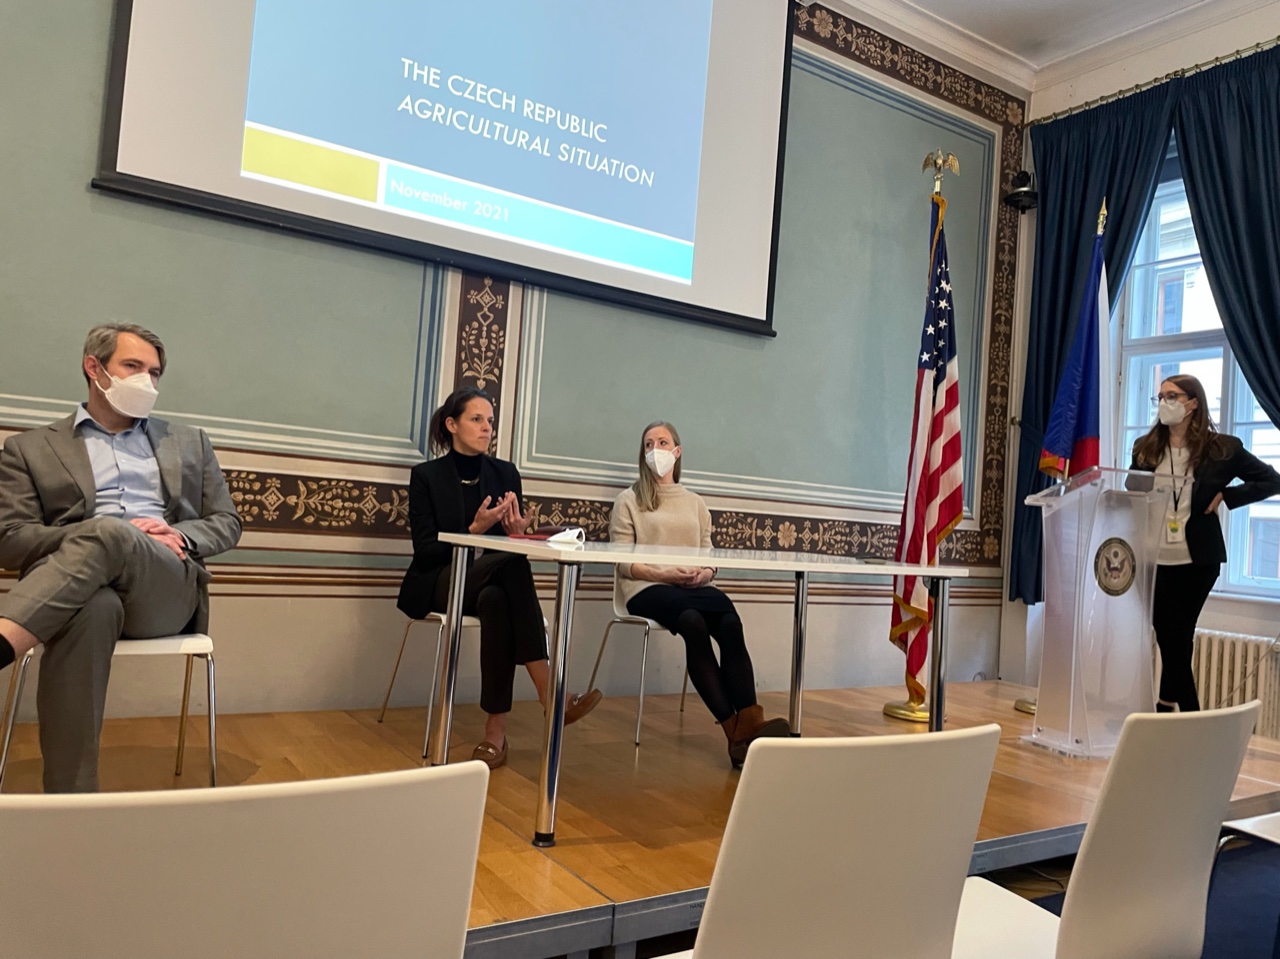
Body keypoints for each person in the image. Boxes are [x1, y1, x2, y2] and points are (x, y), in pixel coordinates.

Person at [0, 323, 242, 791]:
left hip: (165, 589)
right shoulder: (29, 449)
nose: (146, 380)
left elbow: (227, 522)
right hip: (80, 596)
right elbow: (10, 540)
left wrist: (178, 534)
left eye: (155, 372)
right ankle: (71, 802)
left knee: (113, 534)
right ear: (94, 368)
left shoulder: (189, 442)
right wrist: (99, 534)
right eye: (133, 366)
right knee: (95, 600)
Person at [398, 387, 601, 769]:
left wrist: (517, 534)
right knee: (508, 568)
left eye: (490, 421)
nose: (487, 428)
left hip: (490, 583)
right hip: (440, 581)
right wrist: (473, 531)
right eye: (476, 419)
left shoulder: (505, 473)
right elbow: (425, 550)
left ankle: (495, 734)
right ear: (452, 424)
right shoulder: (426, 476)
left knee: (497, 599)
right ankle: (551, 694)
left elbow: (509, 553)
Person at [609, 421, 789, 768]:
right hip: (646, 587)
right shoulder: (628, 500)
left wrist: (705, 573)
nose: (655, 450)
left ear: (677, 452)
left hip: (694, 586)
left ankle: (749, 722)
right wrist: (664, 574)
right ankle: (735, 731)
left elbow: (708, 555)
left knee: (730, 623)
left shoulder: (695, 502)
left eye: (663, 442)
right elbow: (622, 563)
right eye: (648, 444)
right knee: (692, 622)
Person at [1130, 374, 1280, 712]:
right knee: (1171, 635)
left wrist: (1227, 495)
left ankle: (1184, 713)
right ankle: (1171, 709)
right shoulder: (1145, 447)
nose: (1164, 403)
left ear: (1193, 403)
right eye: (1160, 397)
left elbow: (1272, 480)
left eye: (1172, 396)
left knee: (1177, 634)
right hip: (1154, 557)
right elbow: (1131, 485)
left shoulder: (1222, 449)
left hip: (1198, 560)